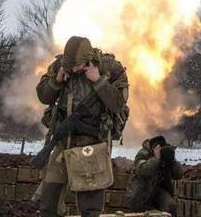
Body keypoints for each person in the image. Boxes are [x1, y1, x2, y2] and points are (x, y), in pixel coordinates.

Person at [36, 36, 128, 217]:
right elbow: (44, 97)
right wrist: (57, 80)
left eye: (76, 66)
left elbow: (118, 105)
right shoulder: (59, 67)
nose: (72, 69)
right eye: (69, 65)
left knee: (89, 210)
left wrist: (98, 81)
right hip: (63, 142)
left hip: (93, 145)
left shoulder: (110, 69)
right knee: (48, 205)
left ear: (88, 59)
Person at [127, 135, 182, 215]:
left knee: (170, 207)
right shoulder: (143, 154)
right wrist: (156, 159)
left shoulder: (165, 154)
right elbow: (144, 171)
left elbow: (178, 175)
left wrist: (172, 160)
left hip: (158, 191)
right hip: (140, 192)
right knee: (145, 213)